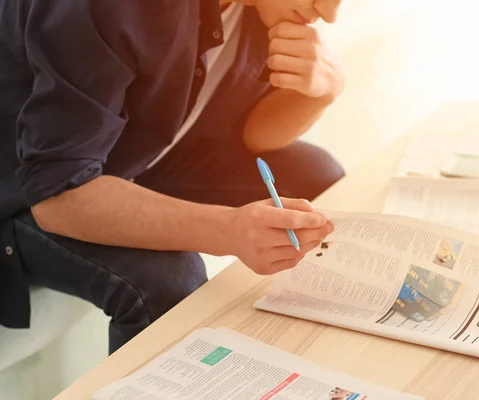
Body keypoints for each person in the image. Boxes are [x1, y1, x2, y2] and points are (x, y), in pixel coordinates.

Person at [0, 0, 346, 353]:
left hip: (131, 159)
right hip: (24, 189)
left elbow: (251, 137)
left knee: (316, 176)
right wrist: (229, 230)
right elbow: (60, 192)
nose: (329, 14)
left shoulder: (259, 12)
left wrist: (323, 94)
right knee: (169, 279)